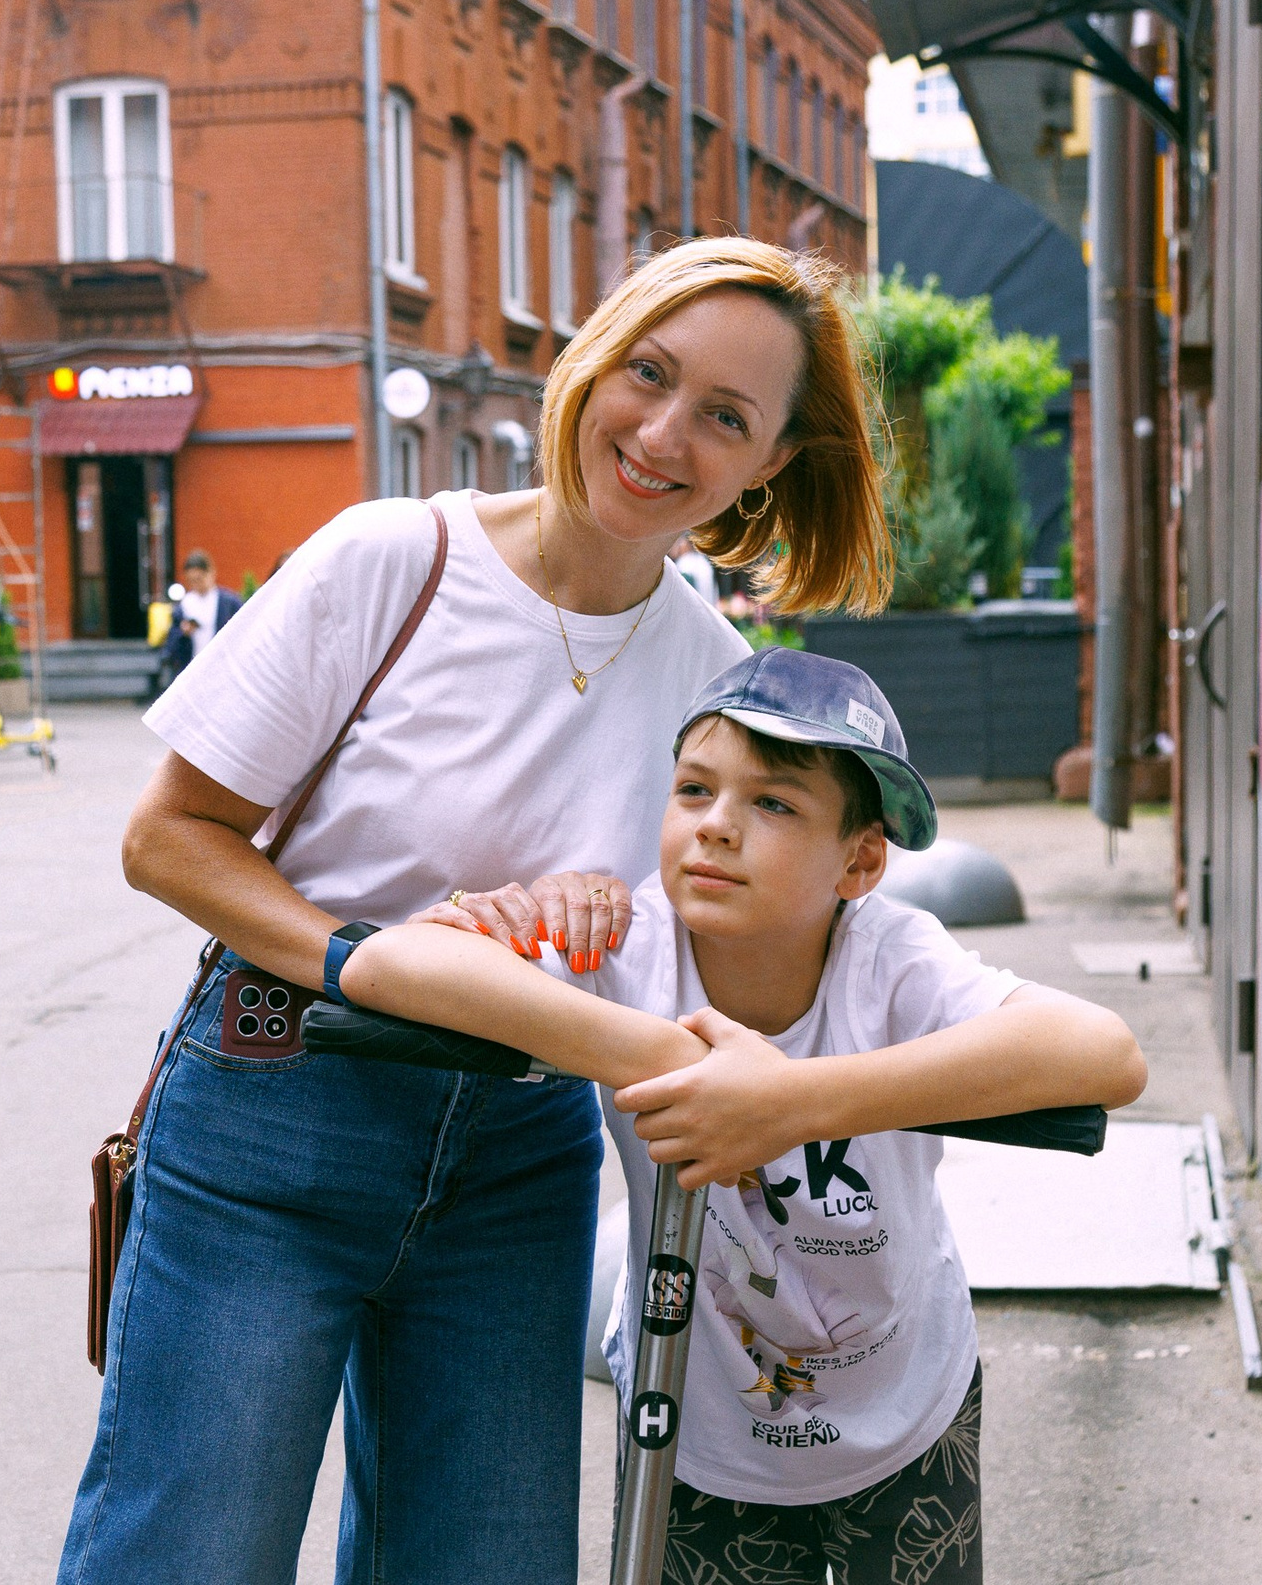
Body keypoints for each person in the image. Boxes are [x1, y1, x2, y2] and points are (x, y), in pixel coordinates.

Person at [59, 237, 897, 1585]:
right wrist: (365, 961)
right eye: (650, 372)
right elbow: (169, 838)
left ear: (772, 462)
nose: (662, 432)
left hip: (522, 1146)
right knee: (190, 1554)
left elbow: (728, 951)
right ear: (596, 353)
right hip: (280, 1102)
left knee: (484, 1564)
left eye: (726, 417)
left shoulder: (721, 682)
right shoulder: (397, 559)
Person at [337, 648, 1148, 1585]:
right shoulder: (627, 947)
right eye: (693, 789)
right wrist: (633, 1032)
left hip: (905, 1413)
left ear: (860, 860)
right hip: (692, 1429)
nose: (717, 825)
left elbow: (1105, 1052)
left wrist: (786, 1103)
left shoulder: (889, 960)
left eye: (774, 803)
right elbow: (384, 967)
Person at [156, 549, 240, 681]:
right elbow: (171, 645)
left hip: (222, 668)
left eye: (199, 579)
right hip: (192, 668)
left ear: (211, 573)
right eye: (191, 581)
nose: (196, 585)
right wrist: (183, 633)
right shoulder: (183, 606)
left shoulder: (229, 602)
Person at [671, 534, 721, 603]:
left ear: (686, 544)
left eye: (679, 543)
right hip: (708, 607)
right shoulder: (703, 561)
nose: (677, 547)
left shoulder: (684, 562)